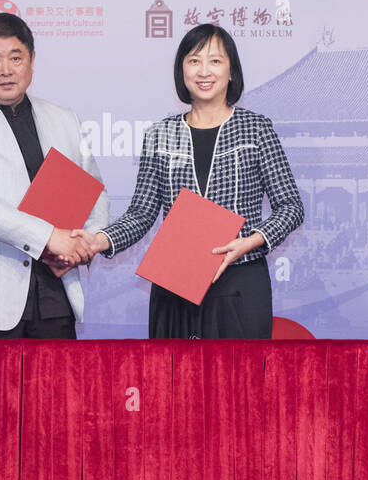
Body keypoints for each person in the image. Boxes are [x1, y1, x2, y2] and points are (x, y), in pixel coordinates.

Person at [75, 23, 303, 337]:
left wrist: (250, 241)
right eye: (194, 60)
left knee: (237, 382)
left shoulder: (256, 129)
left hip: (240, 281)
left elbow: (290, 206)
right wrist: (98, 240)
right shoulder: (159, 134)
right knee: (175, 382)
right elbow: (141, 213)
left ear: (231, 71)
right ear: (181, 71)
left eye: (215, 61)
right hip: (174, 283)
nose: (204, 71)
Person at [0, 13, 109, 338]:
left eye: (16, 58)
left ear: (31, 61)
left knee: (58, 390)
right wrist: (48, 237)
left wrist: (83, 244)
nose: (6, 70)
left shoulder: (64, 118)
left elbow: (94, 192)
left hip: (56, 295)